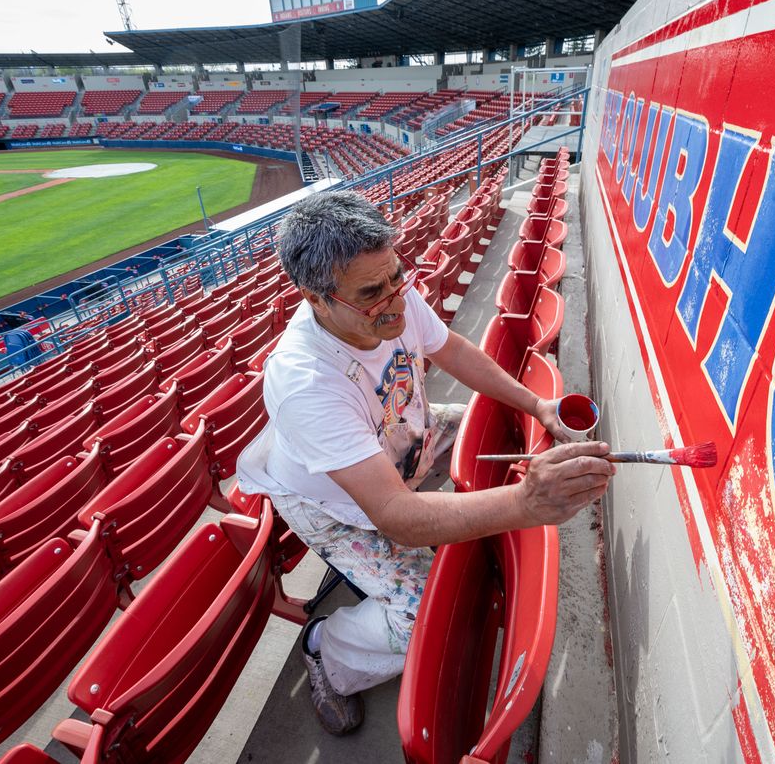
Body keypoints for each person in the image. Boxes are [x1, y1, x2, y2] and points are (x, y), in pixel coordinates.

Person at [236, 191, 614, 735]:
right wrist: (526, 503)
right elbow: (396, 516)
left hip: (405, 431)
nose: (394, 301)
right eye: (372, 294)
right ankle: (327, 651)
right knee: (419, 615)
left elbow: (452, 350)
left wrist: (537, 405)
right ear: (316, 298)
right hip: (335, 502)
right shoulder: (305, 382)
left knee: (481, 431)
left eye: (396, 278)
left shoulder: (386, 293)